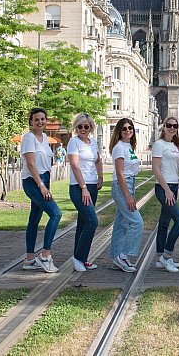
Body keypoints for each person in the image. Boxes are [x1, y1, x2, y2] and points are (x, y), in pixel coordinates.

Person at [20, 107, 62, 273]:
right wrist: (41, 186)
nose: (40, 122)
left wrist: (45, 182)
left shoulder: (44, 137)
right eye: (36, 119)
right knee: (56, 214)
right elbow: (30, 164)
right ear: (31, 121)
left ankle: (30, 259)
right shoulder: (29, 138)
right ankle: (45, 254)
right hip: (33, 181)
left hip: (44, 179)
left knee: (34, 219)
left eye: (42, 119)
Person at [67, 113, 104, 272]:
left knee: (83, 224)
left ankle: (82, 258)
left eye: (86, 126)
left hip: (92, 185)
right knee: (92, 222)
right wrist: (83, 188)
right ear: (75, 128)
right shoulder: (73, 142)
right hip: (78, 187)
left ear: (90, 128)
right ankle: (78, 258)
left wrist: (100, 176)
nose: (83, 129)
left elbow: (98, 160)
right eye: (80, 126)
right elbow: (75, 166)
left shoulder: (93, 142)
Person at [109, 117, 144, 272]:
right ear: (119, 131)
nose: (128, 130)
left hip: (129, 184)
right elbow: (120, 173)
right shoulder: (119, 148)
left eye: (130, 128)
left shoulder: (129, 146)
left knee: (121, 223)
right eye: (124, 128)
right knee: (137, 222)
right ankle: (123, 254)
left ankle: (116, 255)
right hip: (122, 186)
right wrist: (128, 195)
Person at [152, 117, 179, 272]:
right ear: (163, 127)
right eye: (169, 125)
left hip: (173, 184)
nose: (172, 128)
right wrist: (167, 190)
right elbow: (156, 169)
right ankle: (166, 256)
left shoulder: (174, 145)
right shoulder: (159, 145)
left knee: (164, 222)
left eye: (175, 125)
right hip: (163, 187)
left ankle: (160, 257)